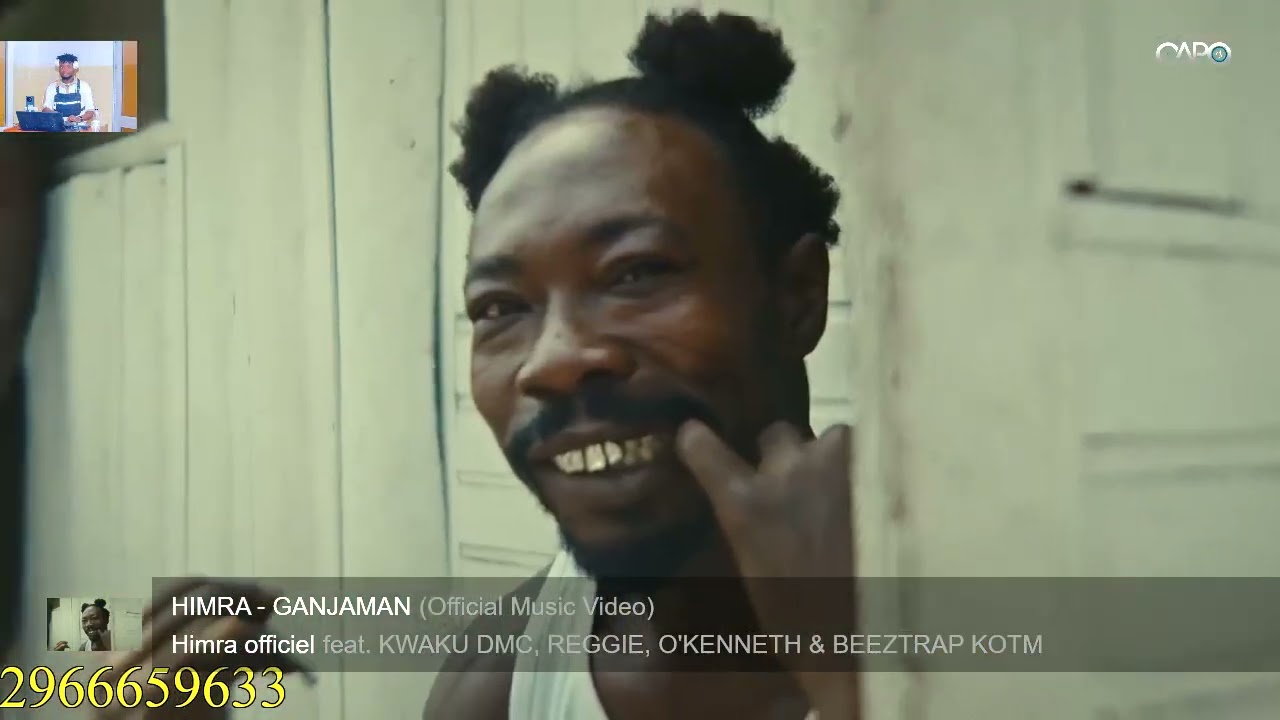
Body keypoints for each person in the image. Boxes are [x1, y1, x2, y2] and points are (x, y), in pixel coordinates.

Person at [91, 10, 859, 720]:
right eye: (501, 308)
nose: (552, 362)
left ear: (797, 296)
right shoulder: (504, 681)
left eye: (636, 272)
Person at [41, 53, 98, 125]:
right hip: (58, 127)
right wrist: (57, 116)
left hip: (79, 127)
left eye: (68, 67)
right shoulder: (51, 87)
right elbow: (45, 108)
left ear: (75, 68)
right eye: (61, 67)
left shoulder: (84, 86)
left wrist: (78, 118)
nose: (64, 70)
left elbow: (90, 111)